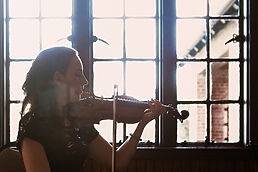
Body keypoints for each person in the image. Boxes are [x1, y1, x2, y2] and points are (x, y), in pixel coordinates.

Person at [17, 46, 166, 172]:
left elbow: (117, 161)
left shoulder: (77, 122)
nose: (84, 81)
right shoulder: (34, 126)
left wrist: (142, 123)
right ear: (58, 78)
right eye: (77, 74)